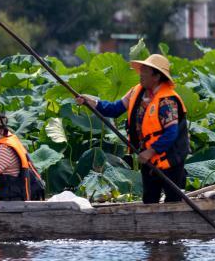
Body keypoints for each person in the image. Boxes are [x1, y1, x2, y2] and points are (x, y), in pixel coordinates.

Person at [75, 53, 189, 204]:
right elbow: (115, 108)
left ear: (156, 76)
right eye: (141, 70)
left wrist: (151, 151)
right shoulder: (136, 91)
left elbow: (171, 133)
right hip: (148, 157)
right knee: (149, 199)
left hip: (170, 157)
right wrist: (92, 103)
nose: (140, 74)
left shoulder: (167, 100)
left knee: (173, 200)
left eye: (145, 71)